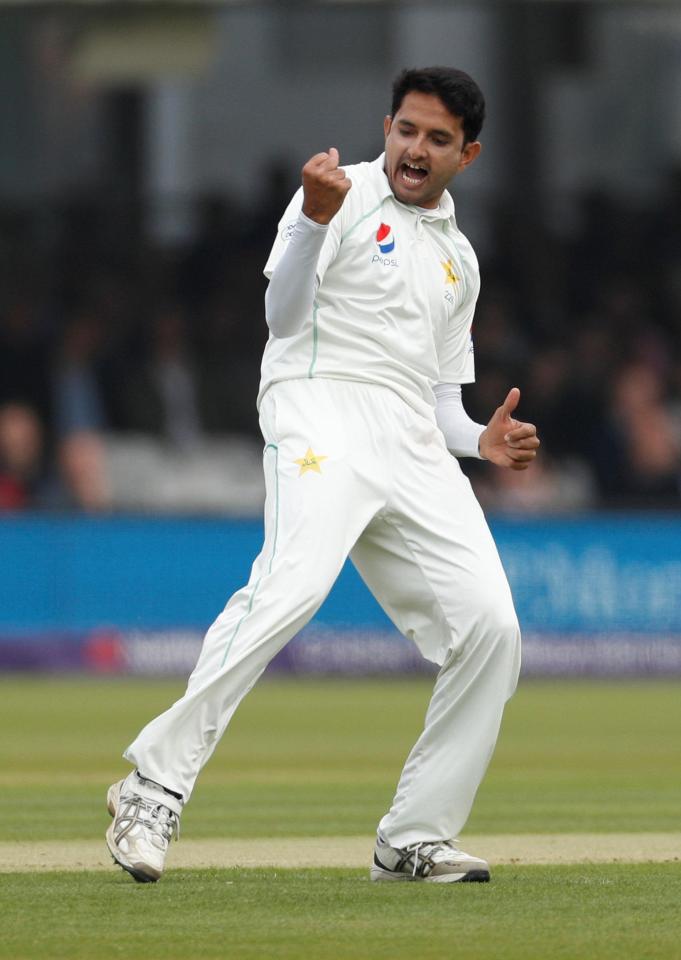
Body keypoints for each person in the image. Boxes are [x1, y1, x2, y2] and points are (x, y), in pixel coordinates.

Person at [106, 66, 539, 884]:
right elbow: (280, 316)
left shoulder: (459, 258)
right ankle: (153, 783)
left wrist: (482, 441)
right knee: (293, 584)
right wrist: (312, 217)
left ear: (466, 154)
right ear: (387, 127)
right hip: (318, 405)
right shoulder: (335, 195)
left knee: (490, 627)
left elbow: (442, 400)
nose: (416, 149)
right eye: (406, 130)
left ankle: (412, 837)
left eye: (437, 139)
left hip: (411, 436)